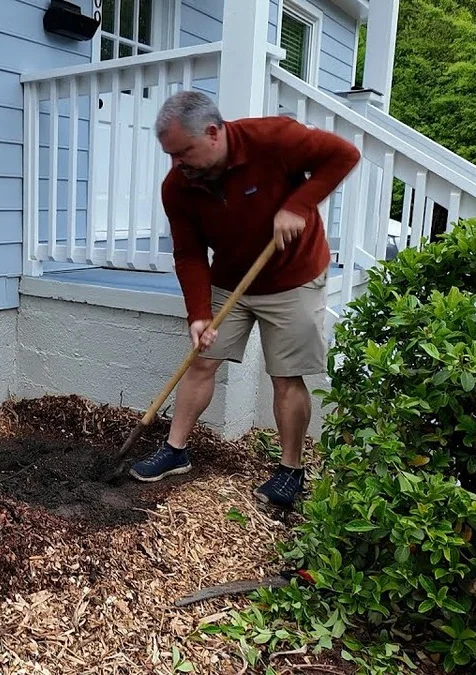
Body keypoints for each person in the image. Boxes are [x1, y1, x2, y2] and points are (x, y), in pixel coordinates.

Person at [128, 90, 361, 508]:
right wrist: (198, 314)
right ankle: (176, 450)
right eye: (170, 155)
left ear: (214, 133)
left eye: (183, 152)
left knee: (286, 375)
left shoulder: (273, 139)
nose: (176, 164)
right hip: (232, 279)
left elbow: (343, 154)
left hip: (294, 276)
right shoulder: (178, 186)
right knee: (202, 361)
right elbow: (189, 253)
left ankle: (291, 470)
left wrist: (299, 204)